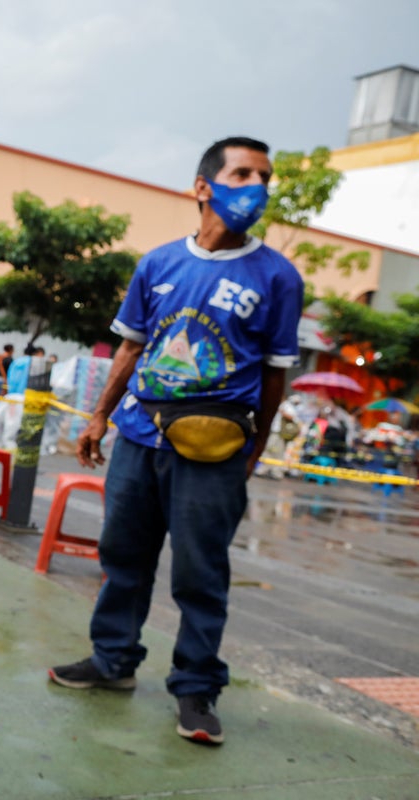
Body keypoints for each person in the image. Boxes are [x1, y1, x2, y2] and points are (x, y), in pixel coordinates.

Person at [49, 137, 304, 746]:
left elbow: (275, 377)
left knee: (200, 573)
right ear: (202, 187)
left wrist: (254, 451)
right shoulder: (159, 264)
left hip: (215, 450)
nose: (257, 186)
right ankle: (112, 661)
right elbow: (130, 348)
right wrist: (98, 418)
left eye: (264, 177)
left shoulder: (279, 278)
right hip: (140, 436)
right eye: (242, 173)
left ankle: (196, 688)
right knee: (122, 558)